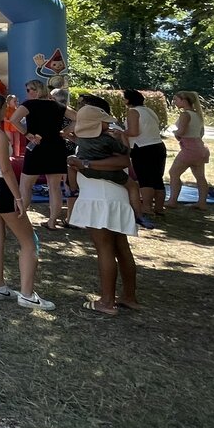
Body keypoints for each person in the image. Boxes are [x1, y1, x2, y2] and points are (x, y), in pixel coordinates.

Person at [0, 91, 53, 310]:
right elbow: (6, 170)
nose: (5, 110)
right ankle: (27, 294)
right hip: (0, 188)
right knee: (29, 242)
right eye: (2, 107)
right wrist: (18, 197)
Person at [67, 100, 141, 314]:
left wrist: (85, 165)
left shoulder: (99, 142)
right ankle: (129, 297)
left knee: (105, 248)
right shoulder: (107, 140)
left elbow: (122, 162)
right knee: (121, 247)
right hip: (113, 198)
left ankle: (107, 302)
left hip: (100, 200)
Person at [10, 79, 71, 229]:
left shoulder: (29, 104)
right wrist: (66, 132)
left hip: (37, 146)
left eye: (29, 90)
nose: (27, 93)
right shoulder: (57, 105)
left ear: (36, 90)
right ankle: (52, 222)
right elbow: (77, 117)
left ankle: (20, 219)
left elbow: (13, 119)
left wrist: (26, 133)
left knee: (25, 185)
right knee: (54, 187)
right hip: (56, 147)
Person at [123, 89, 167, 225]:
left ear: (128, 100)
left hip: (142, 147)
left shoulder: (133, 112)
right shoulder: (149, 111)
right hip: (158, 145)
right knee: (157, 178)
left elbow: (134, 132)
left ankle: (147, 207)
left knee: (145, 178)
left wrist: (121, 133)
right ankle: (159, 208)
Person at [168, 91, 211, 210]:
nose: (175, 102)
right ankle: (202, 203)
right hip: (200, 148)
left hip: (189, 149)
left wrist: (175, 133)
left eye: (176, 100)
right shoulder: (198, 115)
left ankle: (172, 201)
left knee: (174, 173)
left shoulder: (185, 114)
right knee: (200, 177)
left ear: (184, 100)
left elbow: (181, 131)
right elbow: (201, 133)